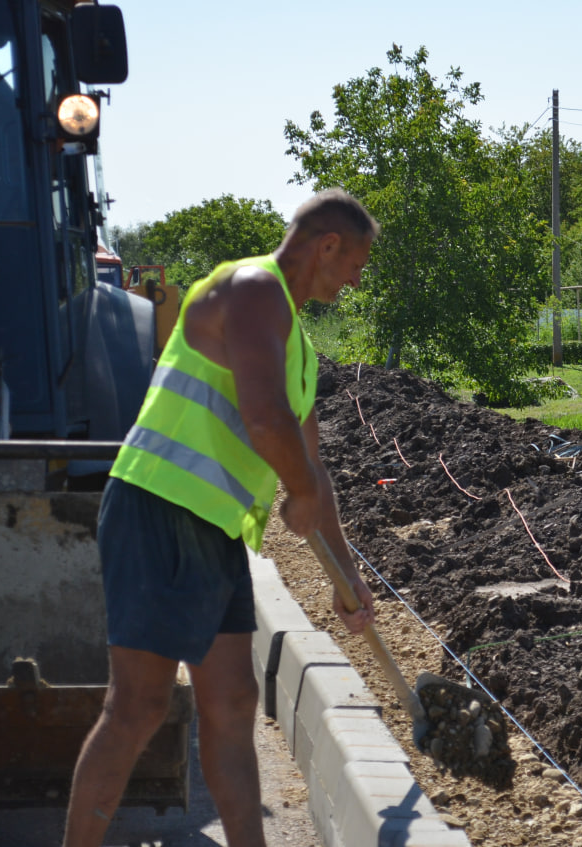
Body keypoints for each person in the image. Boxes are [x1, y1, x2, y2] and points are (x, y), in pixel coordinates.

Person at [63, 189, 380, 847]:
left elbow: (313, 475)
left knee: (233, 704)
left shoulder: (296, 342)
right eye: (355, 265)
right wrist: (294, 490)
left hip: (213, 529)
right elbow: (265, 421)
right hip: (158, 508)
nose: (355, 281)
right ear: (327, 246)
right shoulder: (251, 289)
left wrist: (345, 578)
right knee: (140, 705)